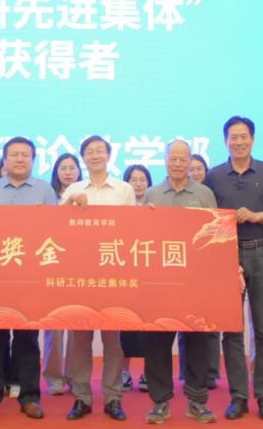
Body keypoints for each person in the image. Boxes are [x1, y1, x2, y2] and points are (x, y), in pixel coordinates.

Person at [205, 116, 263, 422]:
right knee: (232, 330)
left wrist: (258, 216)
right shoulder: (214, 175)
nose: (239, 142)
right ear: (225, 141)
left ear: (252, 139)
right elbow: (205, 215)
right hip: (227, 257)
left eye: (244, 136)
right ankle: (238, 396)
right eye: (233, 137)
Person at [0, 136, 58, 422]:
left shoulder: (45, 190)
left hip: (30, 277)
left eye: (25, 155)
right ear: (4, 160)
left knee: (28, 339)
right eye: (14, 154)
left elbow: (56, 232)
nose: (20, 159)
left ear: (33, 160)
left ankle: (30, 396)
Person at [142, 140, 219, 425]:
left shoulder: (204, 193)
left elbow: (215, 235)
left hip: (195, 281)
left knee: (197, 342)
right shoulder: (152, 194)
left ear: (190, 161)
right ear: (165, 160)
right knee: (157, 344)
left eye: (182, 159)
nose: (177, 164)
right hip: (160, 282)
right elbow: (140, 236)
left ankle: (196, 401)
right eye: (172, 158)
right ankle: (160, 402)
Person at [62, 136, 134, 421]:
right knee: (80, 339)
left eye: (99, 151)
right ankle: (81, 397)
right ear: (83, 157)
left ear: (108, 155)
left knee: (113, 341)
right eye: (89, 152)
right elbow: (56, 228)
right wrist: (70, 205)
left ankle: (113, 397)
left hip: (113, 271)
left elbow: (134, 229)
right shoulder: (73, 189)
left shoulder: (123, 189)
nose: (95, 155)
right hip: (79, 272)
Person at [43, 153, 83, 396]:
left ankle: (75, 376)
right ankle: (54, 377)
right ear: (56, 172)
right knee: (54, 329)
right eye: (63, 168)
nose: (68, 172)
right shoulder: (48, 196)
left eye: (72, 167)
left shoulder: (87, 195)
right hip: (54, 265)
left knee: (78, 327)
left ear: (79, 171)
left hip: (80, 266)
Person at [181, 155, 221, 391]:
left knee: (208, 324)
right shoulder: (162, 194)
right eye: (192, 169)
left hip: (204, 265)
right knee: (182, 324)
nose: (195, 172)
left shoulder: (207, 194)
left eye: (198, 168)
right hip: (178, 264)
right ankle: (186, 372)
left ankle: (210, 372)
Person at [120, 164, 152, 394]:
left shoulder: (155, 207)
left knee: (151, 326)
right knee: (125, 325)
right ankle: (123, 373)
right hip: (125, 274)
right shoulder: (120, 208)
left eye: (142, 179)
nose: (138, 184)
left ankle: (149, 373)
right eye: (133, 179)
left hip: (150, 275)